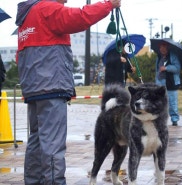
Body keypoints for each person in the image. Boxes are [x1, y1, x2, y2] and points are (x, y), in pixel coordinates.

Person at [15, 0, 121, 184]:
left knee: (36, 141)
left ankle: (33, 181)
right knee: (52, 144)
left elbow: (19, 56)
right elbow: (80, 17)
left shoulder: (27, 16)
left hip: (33, 88)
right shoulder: (48, 9)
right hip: (51, 86)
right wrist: (108, 5)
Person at [155, 42, 181, 126]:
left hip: (171, 82)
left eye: (164, 47)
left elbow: (177, 68)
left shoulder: (173, 56)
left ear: (168, 47)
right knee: (159, 101)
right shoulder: (159, 56)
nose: (162, 49)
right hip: (160, 82)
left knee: (172, 102)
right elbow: (157, 69)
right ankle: (160, 119)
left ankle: (174, 120)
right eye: (160, 47)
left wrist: (166, 68)